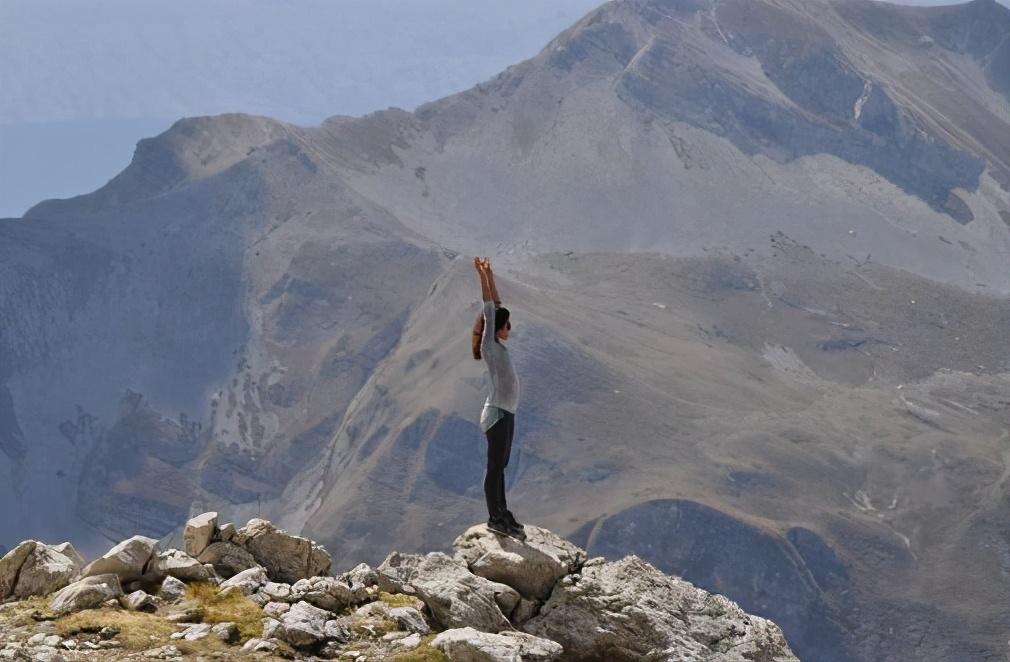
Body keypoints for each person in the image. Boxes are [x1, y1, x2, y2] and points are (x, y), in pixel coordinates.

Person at [472, 257, 525, 540]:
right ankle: (494, 516)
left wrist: (491, 275)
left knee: (501, 466)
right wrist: (481, 276)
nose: (510, 328)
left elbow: (497, 307)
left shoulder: (499, 347)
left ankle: (502, 511)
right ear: (498, 328)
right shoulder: (490, 346)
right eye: (507, 325)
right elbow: (489, 310)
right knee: (494, 467)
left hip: (508, 412)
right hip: (496, 413)